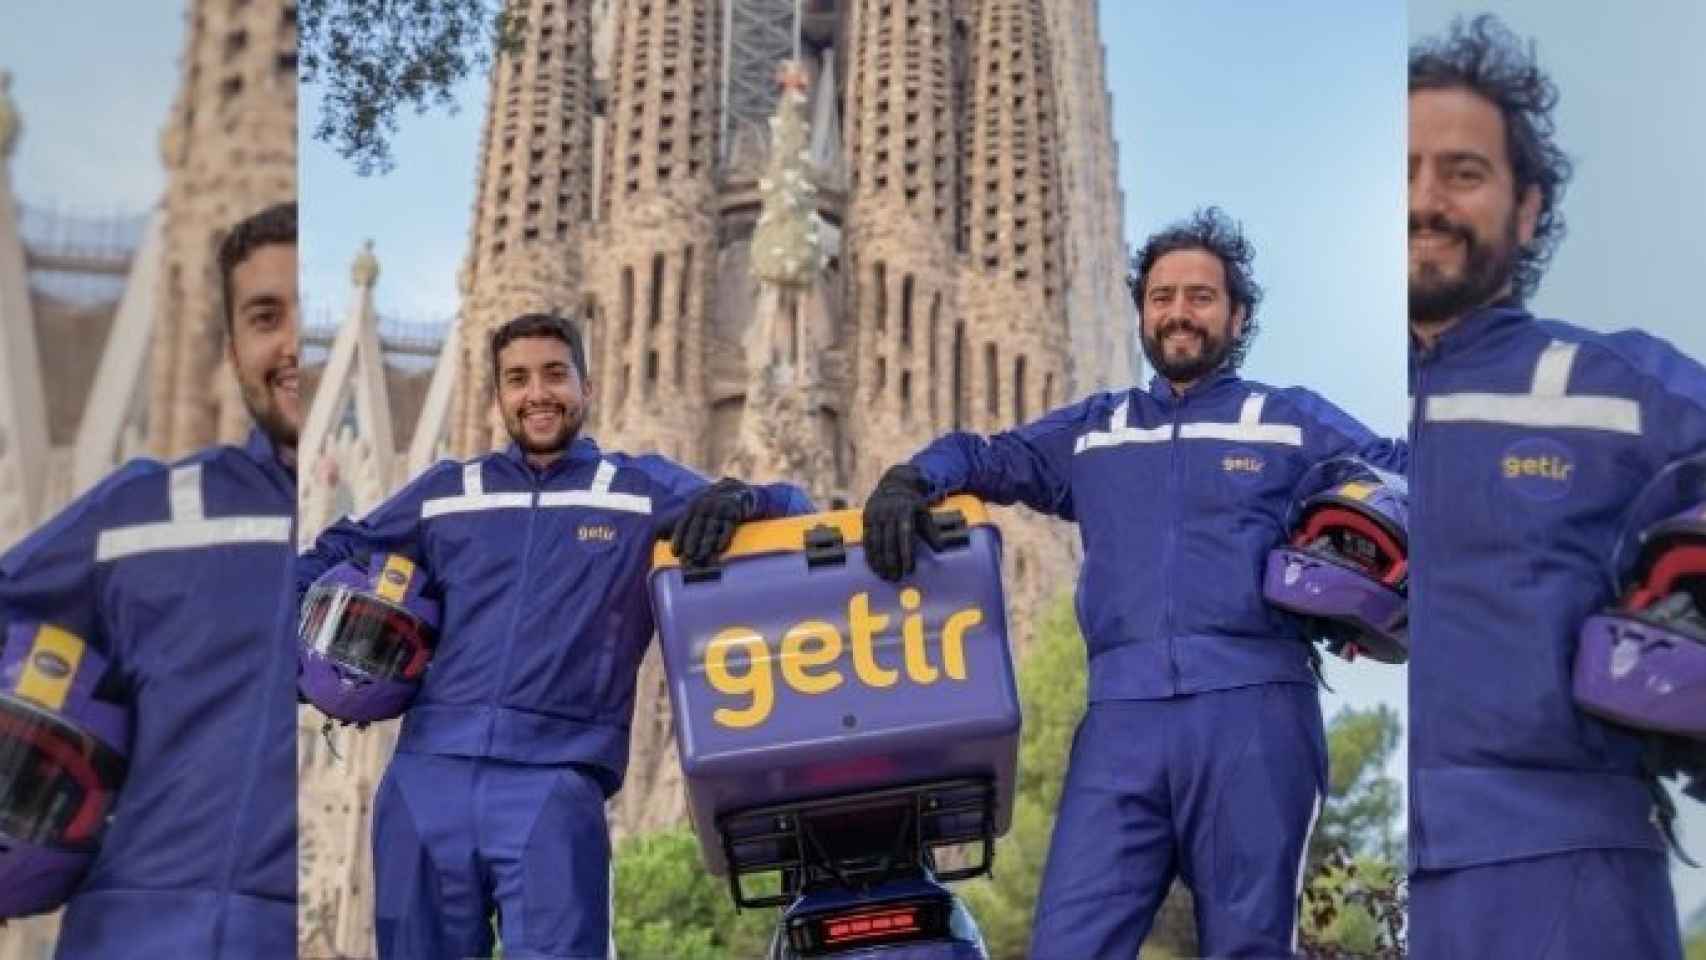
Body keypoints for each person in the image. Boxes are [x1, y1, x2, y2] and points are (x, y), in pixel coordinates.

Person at [862, 207, 1404, 958]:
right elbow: (990, 456)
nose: (1179, 313)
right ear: (1144, 312)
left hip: (1255, 711)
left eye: (1200, 297)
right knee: (1069, 945)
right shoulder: (1099, 431)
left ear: (1237, 314)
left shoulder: (1285, 422)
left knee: (1247, 947)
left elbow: (1401, 471)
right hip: (1123, 720)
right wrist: (911, 479)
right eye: (1161, 297)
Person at [295, 312, 812, 960]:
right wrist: (294, 661)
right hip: (428, 775)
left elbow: (792, 505)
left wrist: (738, 502)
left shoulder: (634, 492)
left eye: (553, 375)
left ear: (586, 388)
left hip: (554, 778)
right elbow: (331, 554)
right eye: (517, 379)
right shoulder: (451, 493)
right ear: (498, 398)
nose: (536, 393)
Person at [1406, 15, 1706, 959]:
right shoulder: (1312, 423)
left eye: (1463, 171)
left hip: (1566, 876)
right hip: (1349, 872)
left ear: (1527, 209)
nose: (1425, 200)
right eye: (1401, 170)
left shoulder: (1620, 387)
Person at [0, 202, 300, 958]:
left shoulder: (416, 533)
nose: (294, 343)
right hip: (137, 934)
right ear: (231, 348)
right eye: (266, 317)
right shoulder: (149, 512)